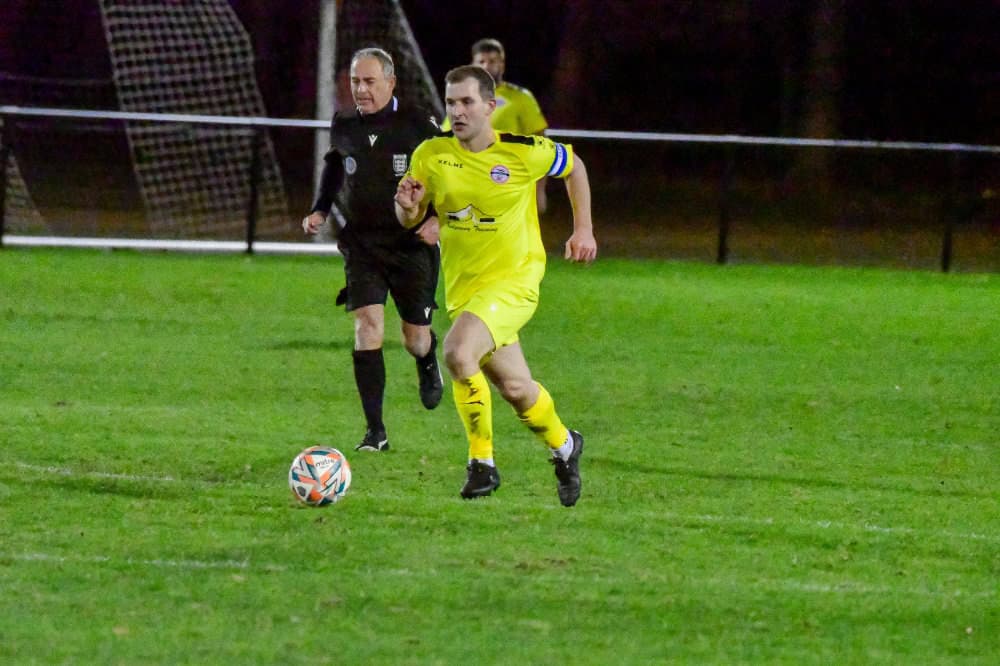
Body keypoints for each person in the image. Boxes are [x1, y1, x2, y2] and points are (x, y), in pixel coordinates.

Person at [394, 65, 597, 506]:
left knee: (457, 351)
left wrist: (583, 229)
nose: (457, 111)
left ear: (490, 107)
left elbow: (575, 166)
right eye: (451, 103)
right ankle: (566, 446)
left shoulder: (521, 152)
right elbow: (411, 218)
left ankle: (481, 464)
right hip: (465, 291)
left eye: (467, 102)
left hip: (514, 282)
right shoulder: (431, 153)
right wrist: (407, 208)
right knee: (517, 390)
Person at [303, 47, 444, 453]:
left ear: (391, 82)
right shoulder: (344, 123)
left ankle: (427, 357)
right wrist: (320, 208)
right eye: (355, 82)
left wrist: (438, 219)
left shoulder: (419, 123)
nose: (360, 90)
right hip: (362, 244)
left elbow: (452, 172)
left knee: (414, 339)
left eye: (369, 81)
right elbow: (334, 166)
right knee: (367, 326)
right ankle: (375, 432)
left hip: (410, 245)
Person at [442, 38, 551, 213]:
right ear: (473, 65)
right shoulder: (461, 98)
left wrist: (539, 190)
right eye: (481, 61)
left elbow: (541, 145)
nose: (486, 66)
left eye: (492, 61)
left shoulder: (520, 98)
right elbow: (446, 141)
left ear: (502, 64)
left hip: (509, 187)